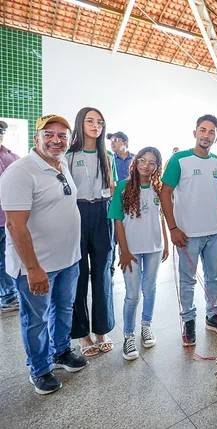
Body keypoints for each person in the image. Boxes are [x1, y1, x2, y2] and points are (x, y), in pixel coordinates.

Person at [0, 114, 86, 394]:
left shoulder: (60, 164)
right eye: (49, 134)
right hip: (37, 266)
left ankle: (60, 351)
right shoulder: (20, 171)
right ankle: (39, 369)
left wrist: (74, 254)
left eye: (62, 135)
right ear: (36, 138)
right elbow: (14, 224)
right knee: (36, 319)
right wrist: (33, 268)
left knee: (63, 309)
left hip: (68, 260)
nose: (55, 140)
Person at [161, 114, 217, 346]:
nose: (206, 135)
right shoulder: (179, 160)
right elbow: (165, 193)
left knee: (214, 278)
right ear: (195, 133)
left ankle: (212, 316)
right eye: (203, 130)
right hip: (187, 235)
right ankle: (189, 321)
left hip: (212, 233)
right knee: (188, 280)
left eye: (211, 132)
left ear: (216, 137)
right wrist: (173, 228)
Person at [108, 147, 169, 361]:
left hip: (154, 247)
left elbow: (162, 216)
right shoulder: (123, 187)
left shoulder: (158, 188)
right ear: (136, 161)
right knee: (132, 295)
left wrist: (166, 243)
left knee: (150, 290)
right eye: (143, 160)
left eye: (152, 162)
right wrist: (123, 251)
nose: (146, 165)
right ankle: (128, 336)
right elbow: (117, 219)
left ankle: (146, 326)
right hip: (131, 250)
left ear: (156, 167)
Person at [67, 107, 117, 356]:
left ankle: (102, 329)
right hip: (76, 214)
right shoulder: (69, 155)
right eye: (90, 121)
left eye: (99, 122)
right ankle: (82, 334)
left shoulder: (107, 155)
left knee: (102, 274)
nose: (95, 125)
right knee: (78, 275)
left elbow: (113, 189)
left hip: (102, 213)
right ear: (80, 123)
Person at [0, 120, 20, 312]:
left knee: (8, 258)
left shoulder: (12, 157)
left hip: (10, 219)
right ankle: (7, 296)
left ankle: (10, 295)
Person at [107, 131, 133, 277]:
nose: (112, 143)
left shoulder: (136, 159)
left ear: (125, 143)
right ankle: (110, 268)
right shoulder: (109, 160)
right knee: (113, 237)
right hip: (114, 203)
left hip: (134, 205)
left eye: (116, 140)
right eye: (111, 140)